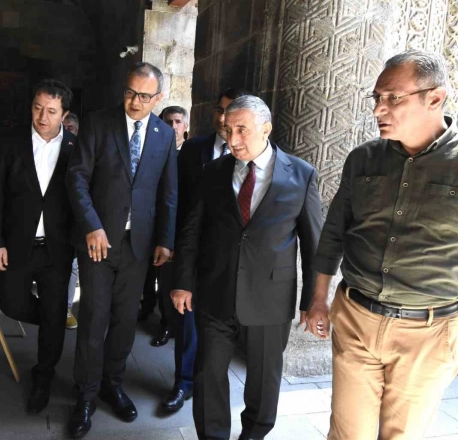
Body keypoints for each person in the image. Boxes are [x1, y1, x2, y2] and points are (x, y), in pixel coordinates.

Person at [306, 49, 458, 440]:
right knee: (346, 434)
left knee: (402, 435)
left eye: (393, 97)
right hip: (356, 317)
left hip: (429, 330)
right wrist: (318, 298)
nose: (379, 109)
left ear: (435, 97)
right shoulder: (363, 159)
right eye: (377, 97)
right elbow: (334, 232)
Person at [172, 95, 323, 440]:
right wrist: (183, 282)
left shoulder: (301, 175)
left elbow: (313, 244)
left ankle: (253, 435)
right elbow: (192, 231)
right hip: (215, 291)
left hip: (270, 297)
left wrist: (314, 301)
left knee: (264, 378)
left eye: (242, 130)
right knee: (208, 373)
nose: (233, 139)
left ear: (265, 129)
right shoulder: (213, 172)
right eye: (228, 130)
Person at [66, 62, 178, 438]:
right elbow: (77, 178)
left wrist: (165, 240)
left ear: (158, 98)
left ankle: (112, 385)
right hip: (98, 243)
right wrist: (91, 225)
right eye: (130, 92)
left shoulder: (164, 134)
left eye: (144, 96)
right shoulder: (98, 123)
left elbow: (168, 192)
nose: (134, 101)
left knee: (125, 322)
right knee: (94, 319)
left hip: (138, 246)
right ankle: (85, 396)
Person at [0, 79, 76, 414]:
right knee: (11, 302)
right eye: (37, 108)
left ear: (64, 114)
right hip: (16, 245)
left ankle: (44, 374)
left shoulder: (76, 148)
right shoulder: (11, 143)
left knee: (53, 308)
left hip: (58, 249)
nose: (42, 117)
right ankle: (55, 322)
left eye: (51, 111)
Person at [160, 88, 251, 412]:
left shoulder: (254, 154)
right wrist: (170, 242)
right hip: (193, 252)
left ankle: (210, 386)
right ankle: (182, 383)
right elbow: (175, 197)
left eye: (231, 111)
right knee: (186, 322)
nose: (224, 118)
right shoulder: (193, 149)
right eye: (219, 110)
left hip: (232, 259)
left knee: (220, 328)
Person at [138, 105, 189, 347]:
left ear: (185, 126)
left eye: (178, 121)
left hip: (177, 226)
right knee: (146, 273)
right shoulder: (151, 148)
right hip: (148, 223)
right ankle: (146, 307)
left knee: (168, 278)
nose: (173, 127)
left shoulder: (191, 153)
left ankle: (168, 323)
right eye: (168, 122)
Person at [65, 112, 80, 330]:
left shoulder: (82, 151)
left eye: (70, 128)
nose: (66, 131)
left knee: (73, 266)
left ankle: (66, 308)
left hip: (75, 217)